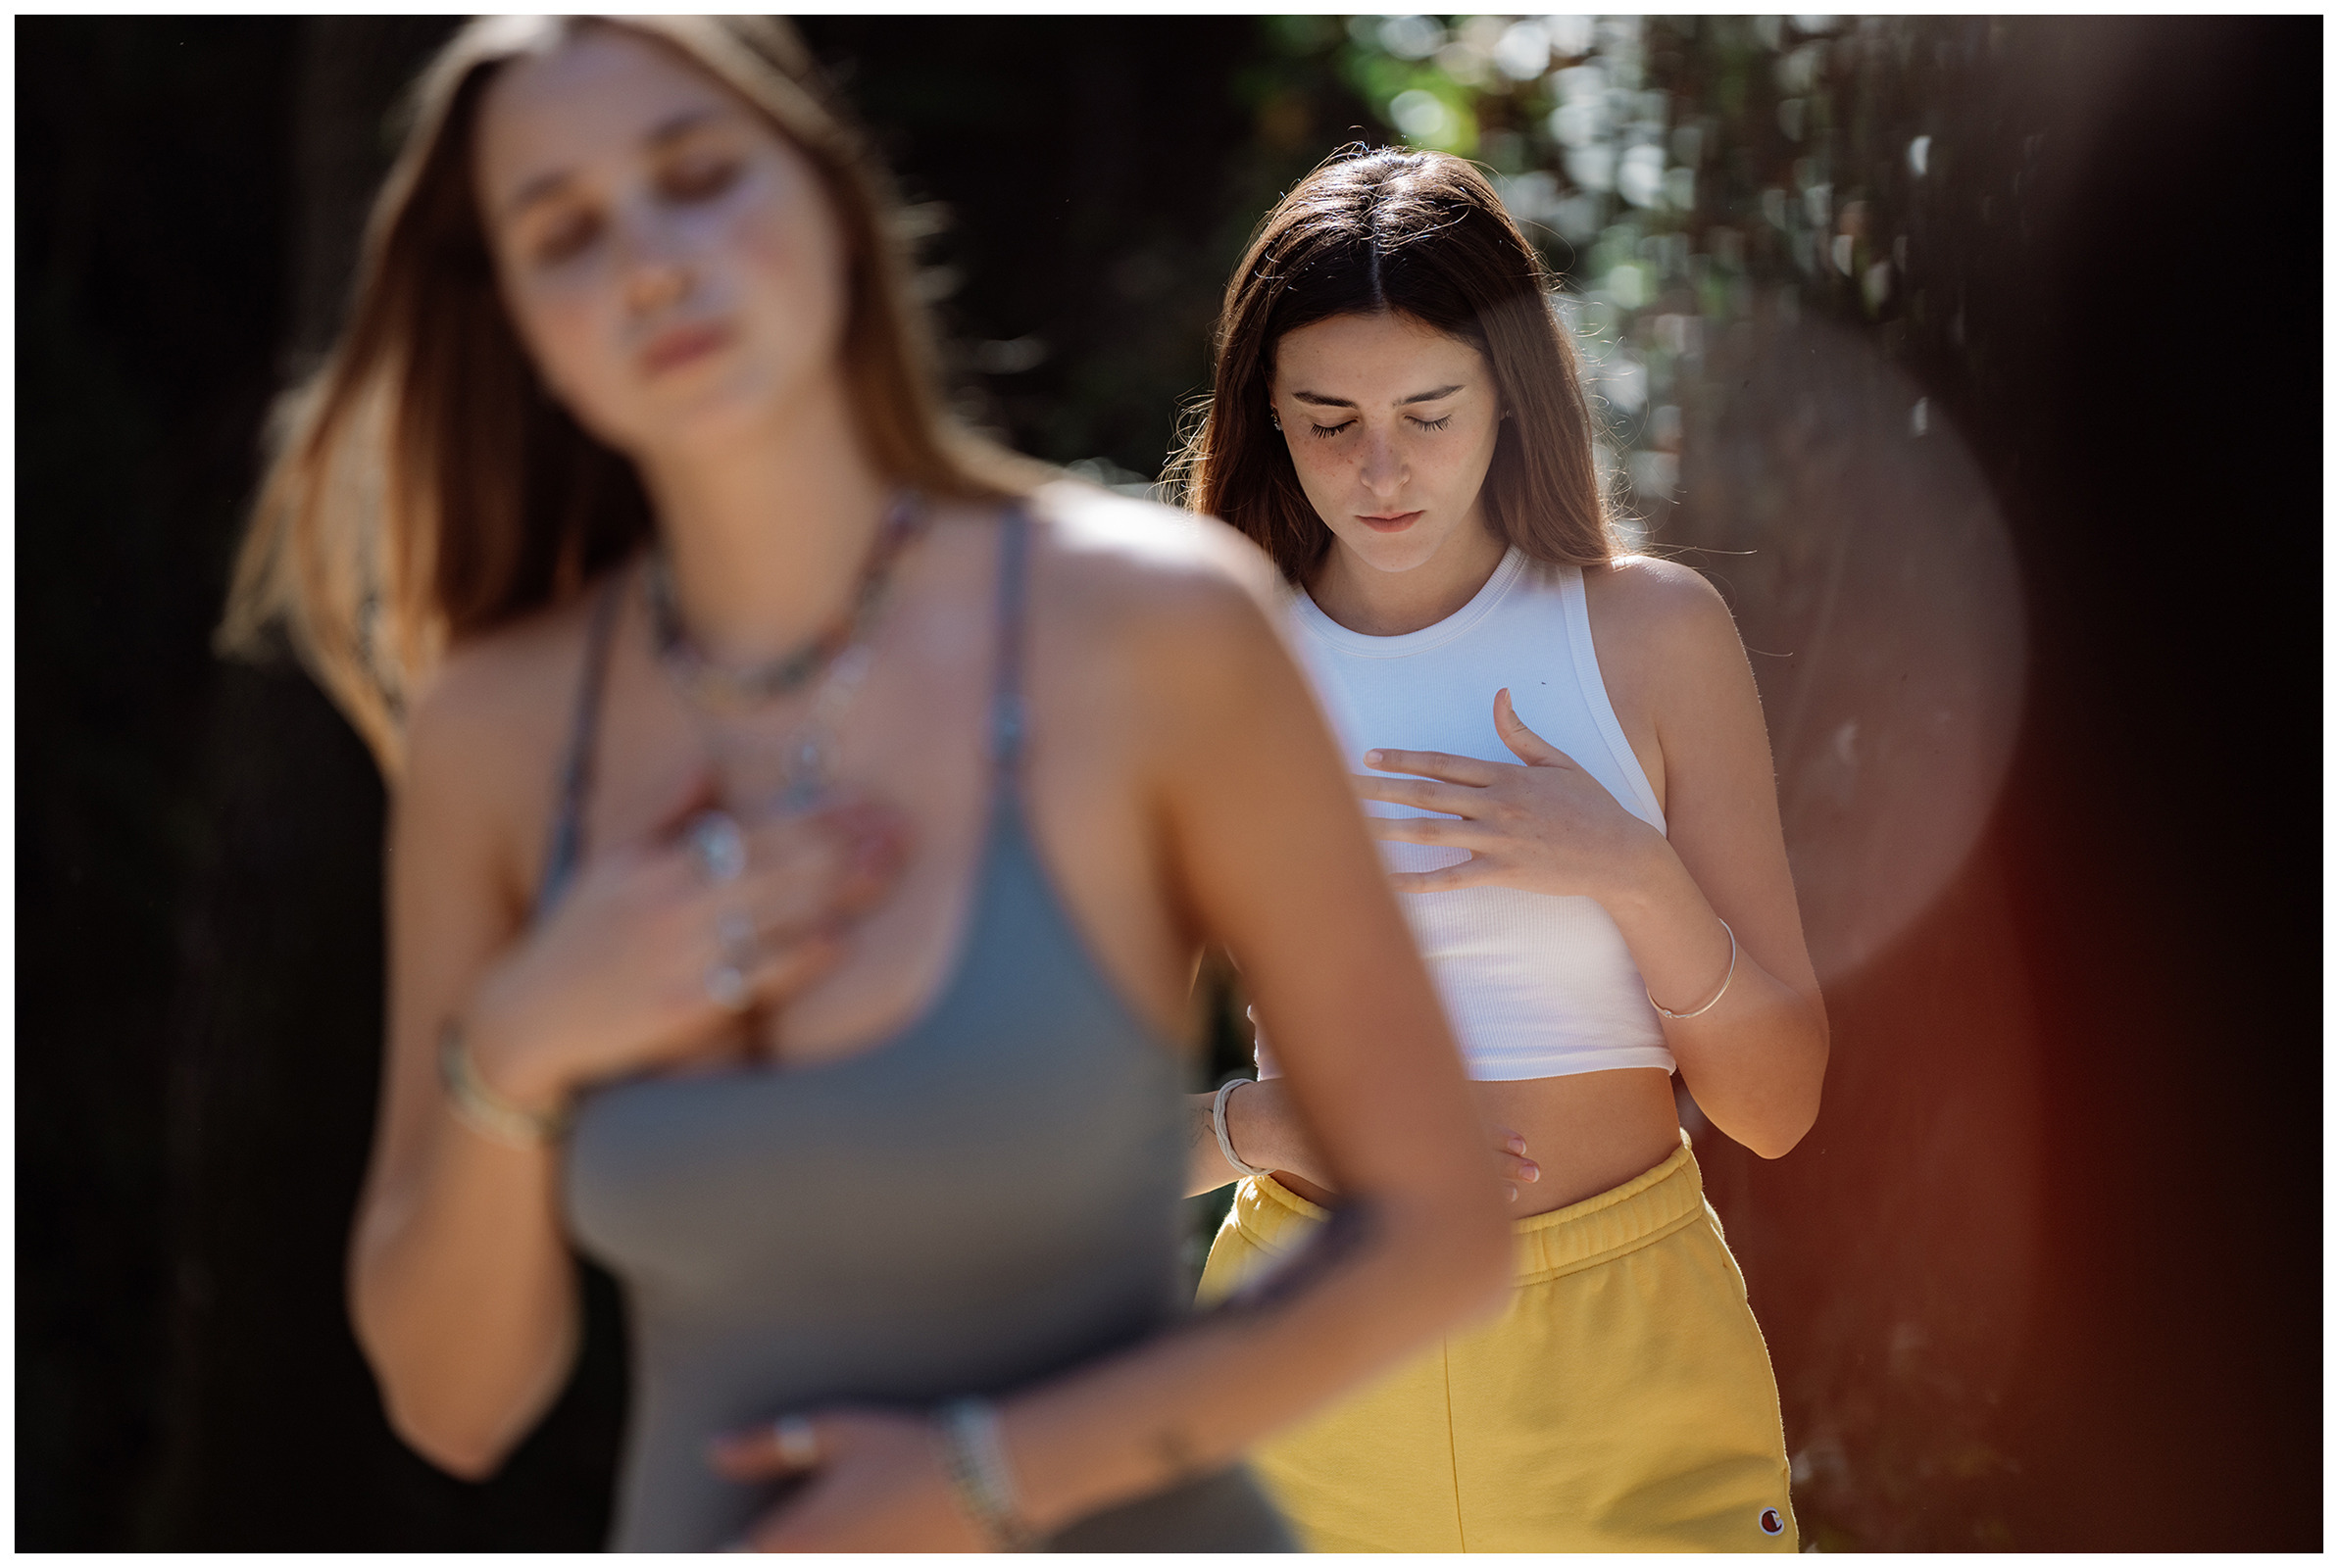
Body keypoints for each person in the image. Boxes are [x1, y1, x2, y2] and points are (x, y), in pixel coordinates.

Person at [223, 23, 1514, 1552]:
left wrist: (988, 1474)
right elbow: (458, 1402)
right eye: (563, 232)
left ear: (829, 199)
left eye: (697, 178)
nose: (646, 262)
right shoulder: (499, 738)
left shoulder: (1148, 625)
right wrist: (516, 1044)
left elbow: (1436, 1230)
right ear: (519, 321)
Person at [1171, 146, 1830, 1552]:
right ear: (1264, 416)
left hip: (1628, 1351)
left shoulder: (1651, 638)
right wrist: (1298, 1124)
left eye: (1428, 410)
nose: (1381, 467)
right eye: (1327, 418)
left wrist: (1627, 869)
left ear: (1510, 397)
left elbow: (1775, 1107)